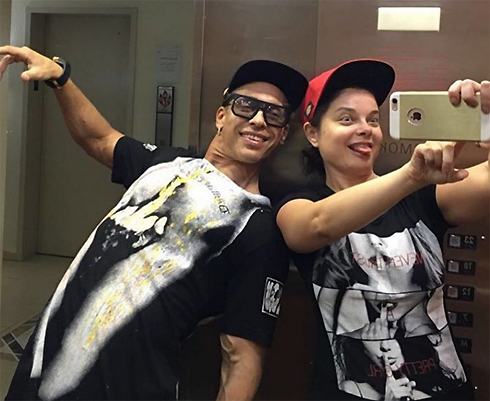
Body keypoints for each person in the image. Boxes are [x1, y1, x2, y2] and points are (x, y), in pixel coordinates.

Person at [0, 45, 308, 401]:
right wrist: (61, 78)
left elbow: (242, 358)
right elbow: (98, 137)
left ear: (282, 134)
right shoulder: (166, 163)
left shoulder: (259, 226)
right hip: (38, 375)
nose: (258, 120)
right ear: (221, 116)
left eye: (274, 114)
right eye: (245, 106)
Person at [276, 58, 489, 400]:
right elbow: (314, 226)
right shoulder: (301, 204)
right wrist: (411, 176)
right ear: (313, 133)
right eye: (347, 119)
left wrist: (486, 119)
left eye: (373, 119)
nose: (366, 129)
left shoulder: (422, 198)